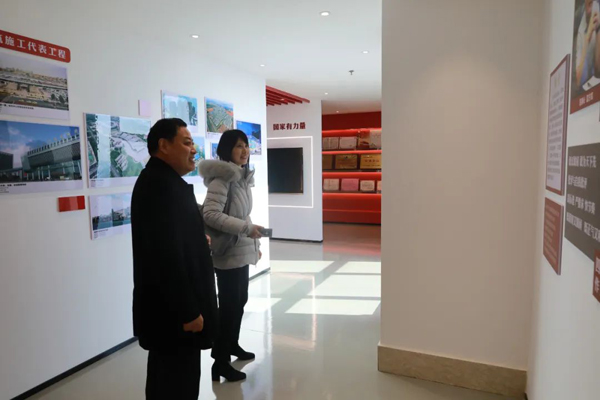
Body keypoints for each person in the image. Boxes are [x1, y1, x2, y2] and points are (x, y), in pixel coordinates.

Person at [131, 118, 217, 399]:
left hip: (171, 312)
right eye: (187, 142)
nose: (194, 150)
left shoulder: (164, 182)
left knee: (173, 381)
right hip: (174, 315)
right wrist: (188, 311)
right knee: (175, 385)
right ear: (164, 146)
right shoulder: (161, 187)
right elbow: (165, 257)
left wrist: (196, 241)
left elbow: (173, 241)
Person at [199, 129, 264, 382]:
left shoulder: (241, 177)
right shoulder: (222, 179)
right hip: (227, 252)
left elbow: (242, 215)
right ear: (227, 150)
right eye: (239, 146)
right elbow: (210, 214)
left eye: (246, 145)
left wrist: (253, 243)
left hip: (240, 249)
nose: (245, 150)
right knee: (228, 306)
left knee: (239, 301)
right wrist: (247, 230)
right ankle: (220, 362)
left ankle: (232, 344)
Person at [575, 0, 600, 88]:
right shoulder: (581, 26)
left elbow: (598, 72)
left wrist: (598, 31)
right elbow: (578, 81)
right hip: (588, 87)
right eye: (590, 4)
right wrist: (587, 37)